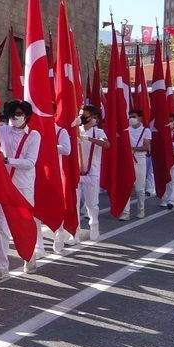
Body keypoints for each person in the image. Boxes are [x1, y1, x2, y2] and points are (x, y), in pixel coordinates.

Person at [0, 100, 42, 277]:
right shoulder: (2, 131)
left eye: (19, 114)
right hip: (5, 185)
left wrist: (6, 160)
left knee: (25, 224)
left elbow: (30, 163)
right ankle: (1, 267)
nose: (15, 117)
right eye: (13, 113)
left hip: (24, 186)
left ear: (27, 116)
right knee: (1, 226)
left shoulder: (34, 136)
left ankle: (29, 257)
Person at [77, 105, 110, 240]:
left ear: (91, 117)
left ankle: (94, 227)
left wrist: (88, 139)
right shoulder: (75, 130)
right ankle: (74, 232)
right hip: (77, 173)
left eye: (83, 115)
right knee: (74, 204)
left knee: (92, 204)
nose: (81, 118)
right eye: (79, 115)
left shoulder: (99, 132)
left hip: (92, 172)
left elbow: (107, 145)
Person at [121, 109, 151, 220]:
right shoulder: (126, 130)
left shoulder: (146, 131)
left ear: (140, 118)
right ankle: (125, 212)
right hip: (128, 161)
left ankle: (141, 210)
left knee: (139, 188)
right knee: (127, 187)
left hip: (140, 161)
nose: (131, 119)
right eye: (130, 116)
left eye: (134, 116)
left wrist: (131, 148)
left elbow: (145, 147)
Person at [52, 120, 76, 252]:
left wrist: (50, 144)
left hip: (57, 175)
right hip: (39, 175)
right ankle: (38, 247)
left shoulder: (61, 131)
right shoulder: (35, 131)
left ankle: (59, 238)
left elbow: (67, 150)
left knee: (58, 208)